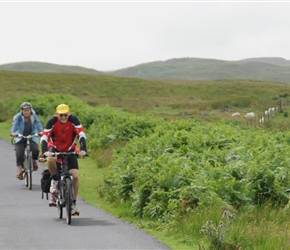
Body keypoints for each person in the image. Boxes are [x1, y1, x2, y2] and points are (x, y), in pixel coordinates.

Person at [39, 103, 87, 216]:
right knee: (51, 159)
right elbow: (45, 136)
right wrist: (45, 152)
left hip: (70, 149)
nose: (63, 117)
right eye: (61, 115)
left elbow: (81, 134)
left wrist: (83, 150)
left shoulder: (73, 120)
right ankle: (55, 180)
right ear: (57, 115)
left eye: (65, 115)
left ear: (68, 114)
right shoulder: (52, 121)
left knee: (75, 176)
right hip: (55, 148)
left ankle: (73, 203)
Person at [10, 102, 43, 180]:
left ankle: (34, 161)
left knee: (35, 149)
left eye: (28, 110)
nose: (26, 112)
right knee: (19, 153)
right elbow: (14, 125)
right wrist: (13, 133)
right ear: (22, 111)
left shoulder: (34, 116)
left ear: (30, 110)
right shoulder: (18, 117)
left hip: (31, 136)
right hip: (20, 136)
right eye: (24, 110)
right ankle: (19, 171)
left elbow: (38, 124)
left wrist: (41, 131)